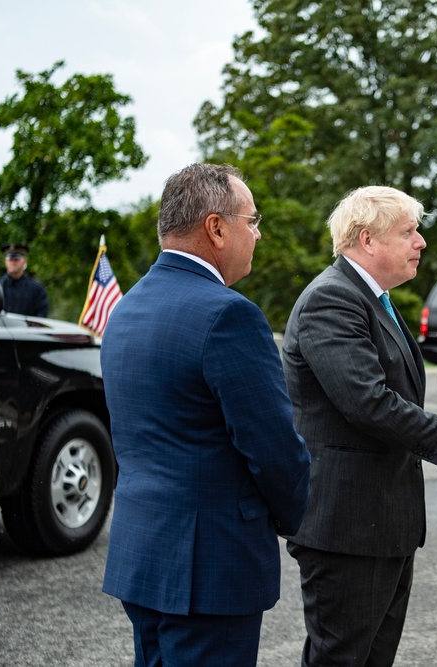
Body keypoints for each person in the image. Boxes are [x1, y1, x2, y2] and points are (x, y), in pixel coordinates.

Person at [100, 163, 311, 666]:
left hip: (144, 552)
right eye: (252, 221)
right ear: (216, 228)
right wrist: (291, 518)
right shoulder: (228, 315)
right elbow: (275, 449)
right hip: (209, 566)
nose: (258, 235)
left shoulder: (125, 309)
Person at [282, 185, 437, 666]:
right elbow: (368, 403)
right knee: (341, 659)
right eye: (408, 232)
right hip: (347, 529)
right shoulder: (332, 299)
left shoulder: (370, 298)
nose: (420, 242)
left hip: (380, 525)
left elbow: (387, 398)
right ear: (367, 240)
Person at [0, 242, 48, 316]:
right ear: (5, 261)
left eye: (17, 259)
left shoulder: (36, 289)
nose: (13, 262)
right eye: (10, 259)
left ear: (24, 260)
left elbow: (41, 316)